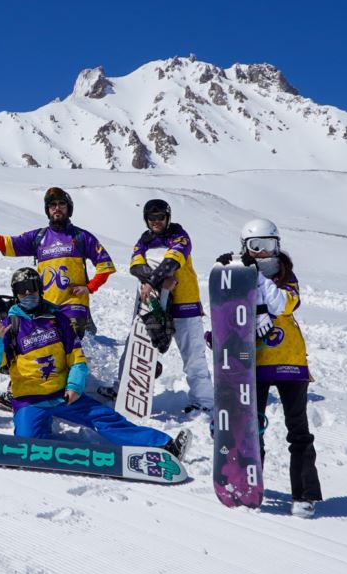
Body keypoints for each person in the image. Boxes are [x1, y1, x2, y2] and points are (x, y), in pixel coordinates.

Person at [0, 268, 189, 456]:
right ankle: (40, 426)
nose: (27, 294)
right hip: (30, 399)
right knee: (26, 445)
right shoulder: (10, 325)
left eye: (31, 288)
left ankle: (164, 445)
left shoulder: (57, 318)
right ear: (15, 293)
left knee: (105, 417)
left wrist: (74, 386)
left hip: (62, 394)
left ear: (40, 289)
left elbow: (77, 358)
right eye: (21, 290)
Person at [0, 187, 116, 407]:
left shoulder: (81, 237)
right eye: (52, 205)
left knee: (66, 345)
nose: (57, 209)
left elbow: (105, 265)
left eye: (61, 204)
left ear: (69, 208)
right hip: (44, 306)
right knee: (34, 346)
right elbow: (4, 244)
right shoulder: (39, 238)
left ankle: (66, 393)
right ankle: (27, 392)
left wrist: (90, 287)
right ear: (47, 210)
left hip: (73, 306)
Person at [217, 218, 323, 518]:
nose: (264, 254)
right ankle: (249, 483)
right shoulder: (242, 276)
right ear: (246, 248)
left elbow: (281, 305)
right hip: (255, 364)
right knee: (250, 430)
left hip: (290, 361)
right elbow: (228, 314)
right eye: (256, 247)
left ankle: (304, 495)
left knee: (298, 430)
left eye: (269, 246)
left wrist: (254, 277)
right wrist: (230, 274)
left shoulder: (286, 277)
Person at [125, 199, 213, 414]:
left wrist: (155, 280)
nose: (156, 222)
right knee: (139, 347)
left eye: (160, 217)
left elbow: (171, 264)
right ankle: (126, 390)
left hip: (185, 304)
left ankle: (204, 402)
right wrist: (155, 282)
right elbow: (135, 266)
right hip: (156, 302)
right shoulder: (144, 239)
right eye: (151, 218)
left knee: (193, 357)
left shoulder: (179, 236)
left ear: (168, 217)